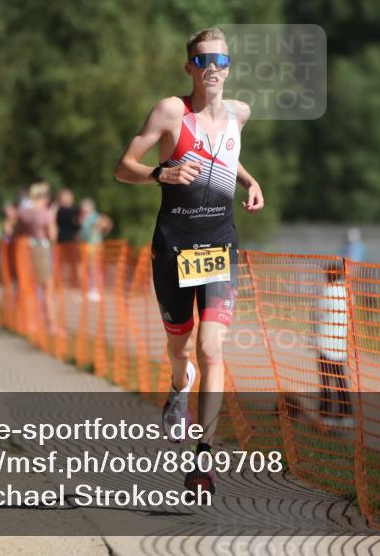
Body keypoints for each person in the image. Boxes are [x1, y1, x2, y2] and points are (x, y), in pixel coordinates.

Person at [114, 27, 264, 495]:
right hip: (173, 246)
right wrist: (162, 172)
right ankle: (179, 388)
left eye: (220, 60)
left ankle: (204, 458)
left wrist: (250, 182)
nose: (212, 68)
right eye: (202, 61)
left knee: (212, 349)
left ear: (229, 66)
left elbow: (225, 157)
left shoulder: (240, 114)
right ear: (189, 69)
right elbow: (123, 167)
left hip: (219, 244)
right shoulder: (171, 112)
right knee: (182, 353)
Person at [315, 262, 354, 428]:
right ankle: (346, 414)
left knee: (325, 381)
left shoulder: (327, 291)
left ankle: (325, 416)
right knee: (340, 380)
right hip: (340, 344)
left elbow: (317, 315)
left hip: (325, 343)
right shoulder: (347, 292)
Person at [15, 182, 58, 330]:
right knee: (47, 288)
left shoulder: (24, 212)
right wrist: (53, 216)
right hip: (42, 248)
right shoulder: (46, 213)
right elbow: (52, 235)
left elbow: (17, 230)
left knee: (29, 287)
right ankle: (50, 324)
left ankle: (31, 322)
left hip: (26, 249)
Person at [77, 198, 113, 301]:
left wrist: (99, 228)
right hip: (86, 246)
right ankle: (88, 289)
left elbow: (106, 223)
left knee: (94, 268)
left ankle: (95, 289)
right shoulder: (84, 218)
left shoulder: (95, 217)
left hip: (94, 247)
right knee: (87, 269)